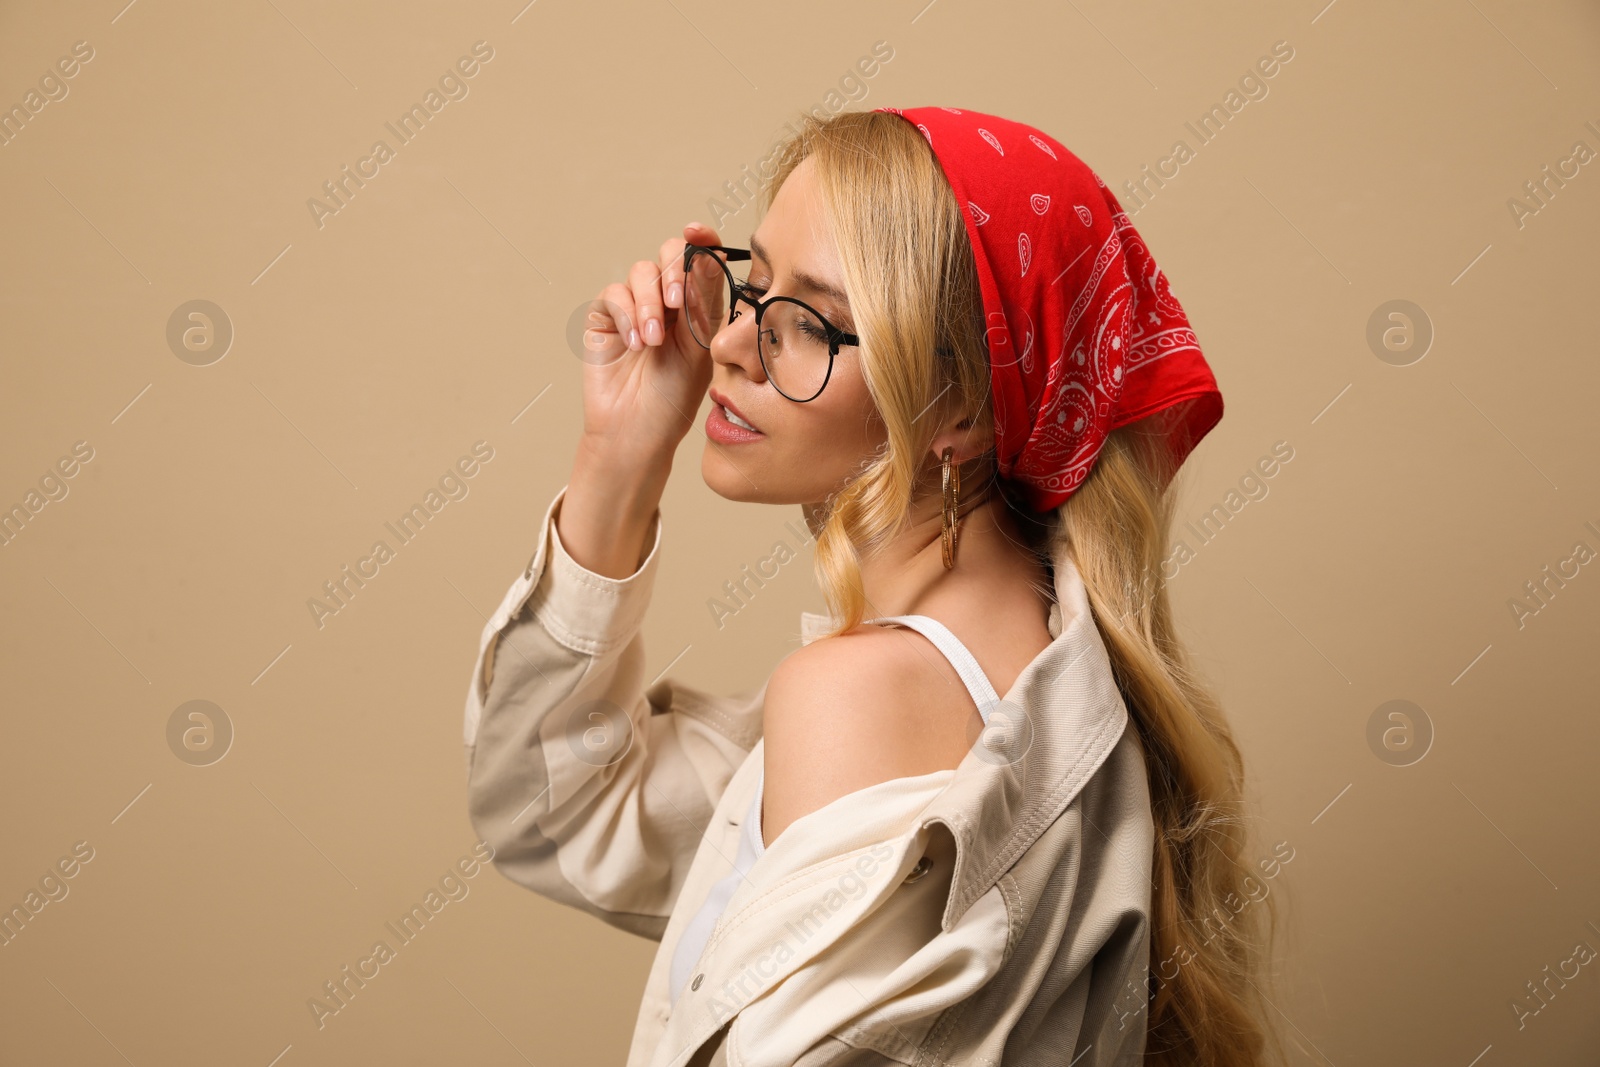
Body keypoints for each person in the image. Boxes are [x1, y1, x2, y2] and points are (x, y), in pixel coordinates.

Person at [461, 106, 1282, 1066]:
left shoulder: (861, 694)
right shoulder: (1042, 661)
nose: (730, 343)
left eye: (811, 320)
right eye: (752, 284)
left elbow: (549, 825)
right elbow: (557, 812)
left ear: (968, 409)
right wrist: (618, 458)